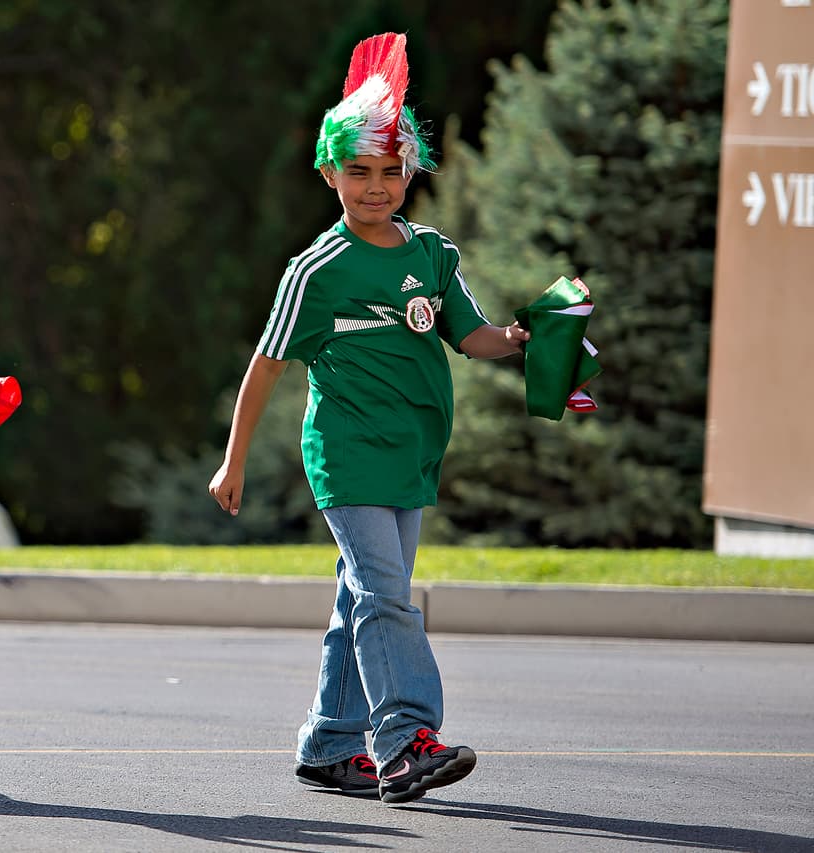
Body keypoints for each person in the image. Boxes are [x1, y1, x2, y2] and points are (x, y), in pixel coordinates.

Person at [207, 33, 529, 805]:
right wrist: (233, 458)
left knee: (363, 597)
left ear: (412, 170)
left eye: (391, 170)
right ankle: (405, 741)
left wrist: (520, 338)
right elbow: (267, 364)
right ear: (329, 171)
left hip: (410, 456)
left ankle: (327, 744)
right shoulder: (316, 269)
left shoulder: (433, 254)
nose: (376, 186)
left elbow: (471, 335)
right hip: (348, 457)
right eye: (358, 171)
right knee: (387, 597)